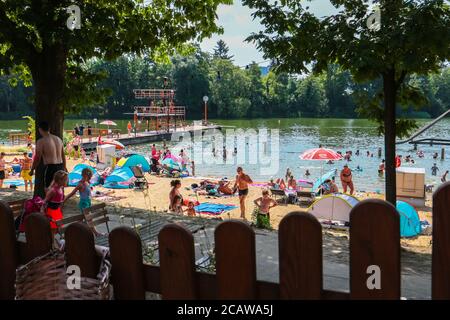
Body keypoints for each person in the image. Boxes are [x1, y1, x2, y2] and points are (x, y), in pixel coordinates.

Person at [30, 121, 67, 190]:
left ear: (40, 129)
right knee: (59, 189)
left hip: (50, 168)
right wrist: (64, 167)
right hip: (60, 166)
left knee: (49, 190)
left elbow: (37, 158)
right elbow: (63, 156)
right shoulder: (58, 139)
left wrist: (32, 169)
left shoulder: (41, 141)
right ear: (49, 129)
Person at [41, 170, 67, 237]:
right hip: (51, 212)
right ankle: (53, 244)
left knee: (59, 228)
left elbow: (60, 202)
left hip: (57, 211)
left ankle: (58, 242)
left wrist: (61, 209)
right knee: (53, 229)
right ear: (59, 180)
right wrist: (43, 211)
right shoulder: (53, 190)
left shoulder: (61, 188)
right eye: (65, 180)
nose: (66, 182)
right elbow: (44, 201)